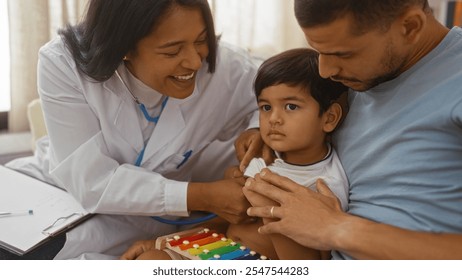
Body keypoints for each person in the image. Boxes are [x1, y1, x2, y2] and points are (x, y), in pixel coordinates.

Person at [4, 0, 262, 260]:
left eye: (201, 40)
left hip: (134, 225)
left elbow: (283, 94)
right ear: (123, 48)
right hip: (48, 193)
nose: (195, 62)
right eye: (172, 52)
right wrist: (202, 196)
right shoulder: (62, 62)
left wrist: (256, 130)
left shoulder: (229, 69)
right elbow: (91, 181)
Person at [242, 0, 462, 259]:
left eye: (343, 54)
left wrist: (336, 228)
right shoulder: (352, 79)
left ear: (409, 26)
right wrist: (261, 130)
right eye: (318, 51)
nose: (326, 71)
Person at [120, 48, 349, 260]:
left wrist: (272, 210)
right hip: (224, 251)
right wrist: (163, 243)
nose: (274, 119)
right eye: (266, 107)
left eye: (290, 107)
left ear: (329, 118)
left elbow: (306, 264)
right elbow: (226, 220)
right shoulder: (263, 160)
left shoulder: (324, 186)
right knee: (150, 261)